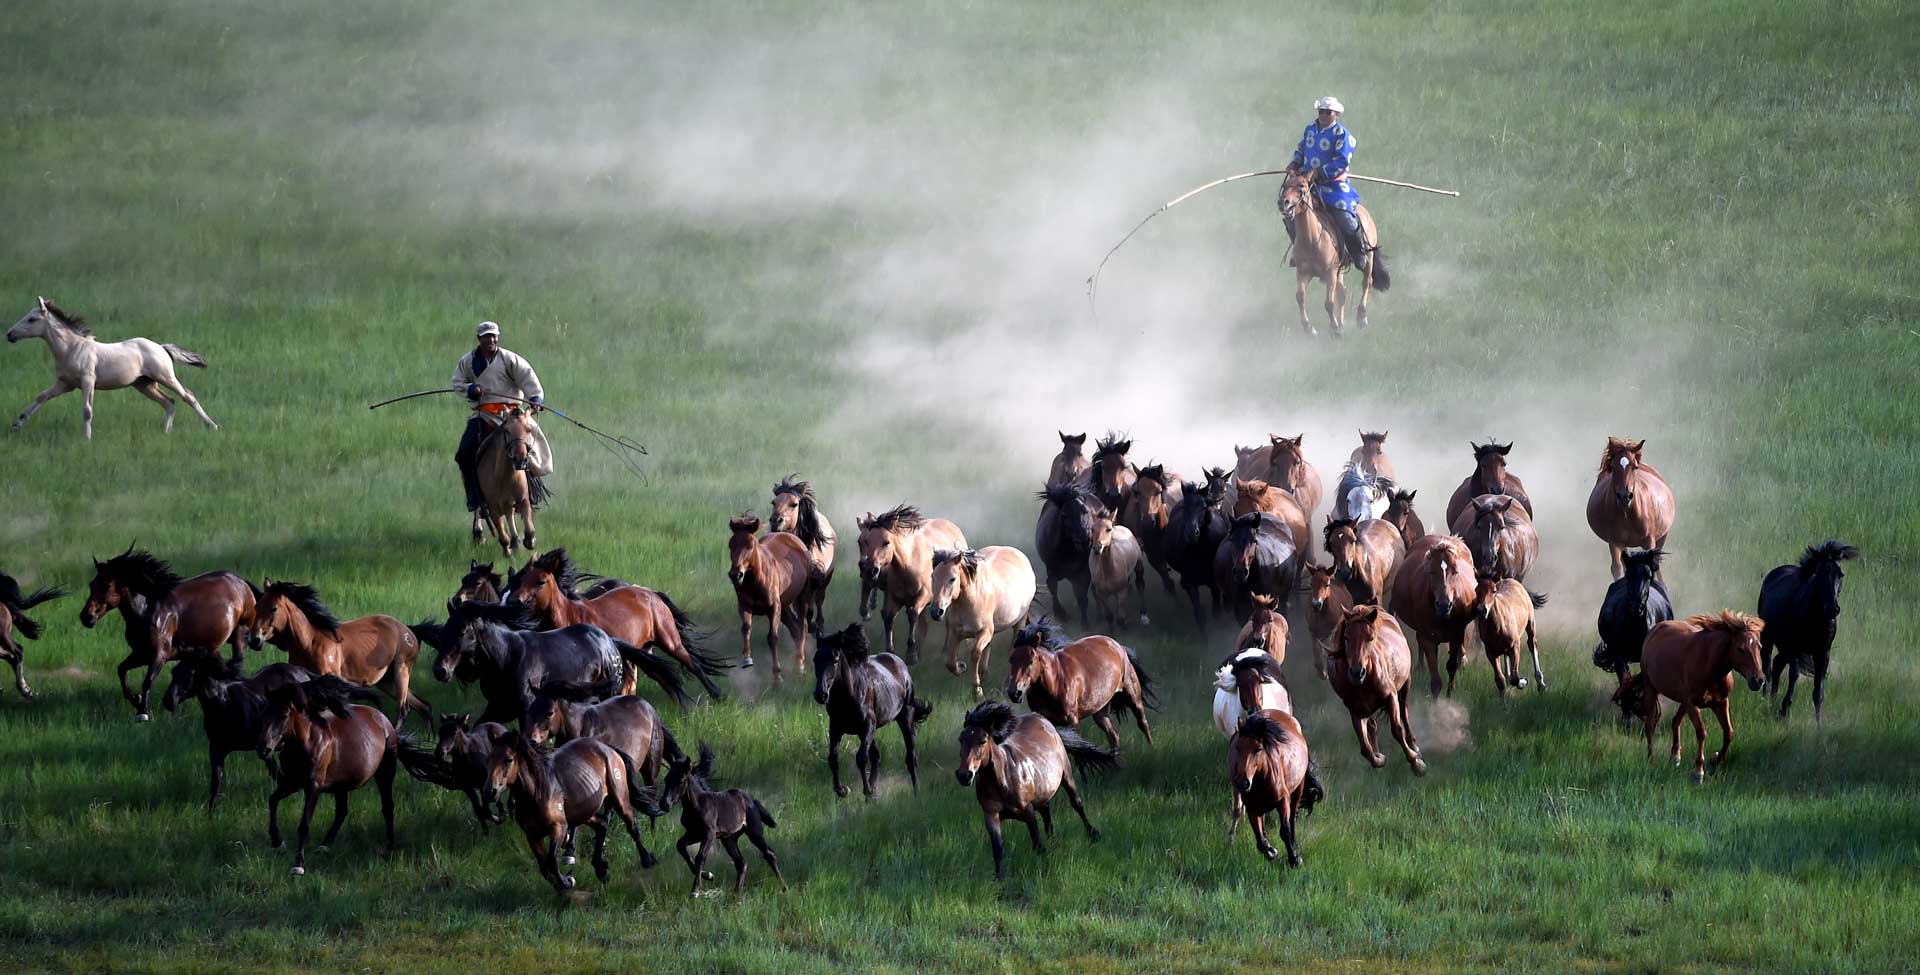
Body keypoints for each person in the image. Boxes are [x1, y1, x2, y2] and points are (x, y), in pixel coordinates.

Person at [451, 320, 544, 514]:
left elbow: (528, 377)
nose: (491, 339)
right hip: (484, 414)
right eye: (487, 336)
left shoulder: (510, 359)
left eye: (494, 336)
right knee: (463, 454)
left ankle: (531, 493)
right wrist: (471, 389)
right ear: (479, 339)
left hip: (511, 416)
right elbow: (457, 382)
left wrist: (535, 398)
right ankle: (474, 496)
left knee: (529, 449)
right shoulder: (468, 362)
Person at [1282, 95, 1372, 270]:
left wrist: (1319, 172)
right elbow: (1301, 149)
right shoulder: (1310, 129)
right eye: (1321, 111)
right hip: (1307, 185)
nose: (1323, 115)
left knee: (1345, 216)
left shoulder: (1343, 135)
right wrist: (1295, 163)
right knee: (1290, 212)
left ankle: (1357, 252)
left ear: (1335, 114)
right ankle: (1298, 250)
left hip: (1334, 185)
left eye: (1327, 112)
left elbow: (1342, 161)